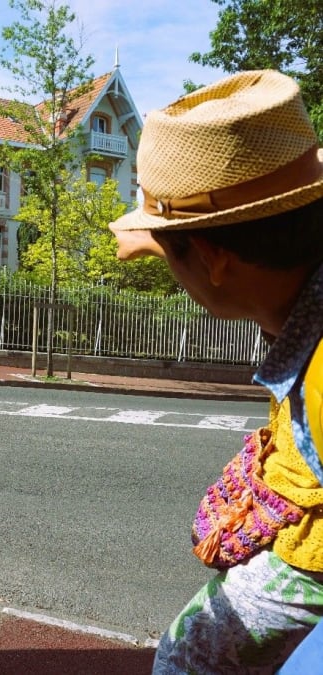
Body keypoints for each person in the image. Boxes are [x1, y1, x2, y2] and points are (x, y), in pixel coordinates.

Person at [109, 70, 323, 673]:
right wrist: (160, 239)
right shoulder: (293, 270)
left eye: (171, 250)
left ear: (211, 258)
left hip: (313, 558)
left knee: (191, 652)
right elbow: (225, 252)